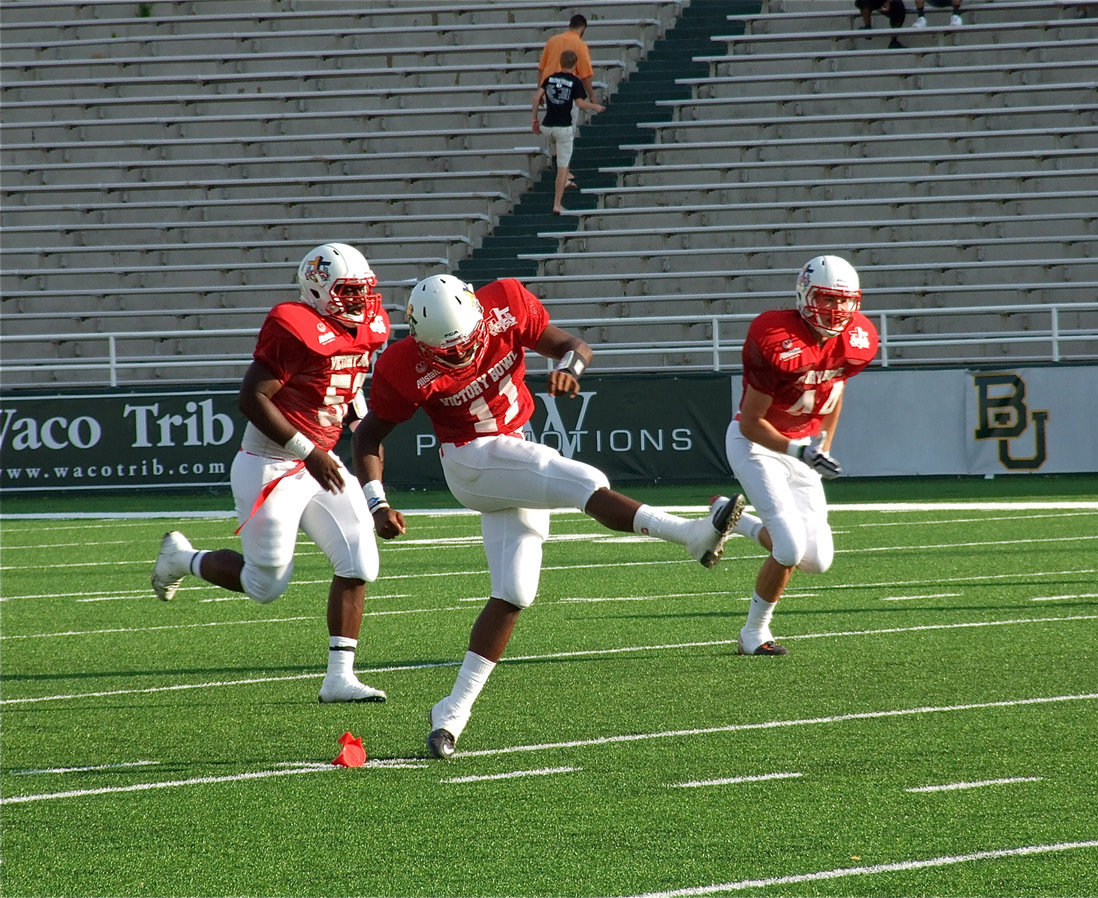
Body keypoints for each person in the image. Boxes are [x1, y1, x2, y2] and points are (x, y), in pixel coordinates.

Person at [352, 274, 746, 757]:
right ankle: (690, 535)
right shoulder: (401, 365)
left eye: (465, 344)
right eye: (445, 351)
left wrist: (570, 368)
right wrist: (377, 502)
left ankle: (452, 711)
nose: (459, 355)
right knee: (582, 479)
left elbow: (573, 346)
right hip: (469, 460)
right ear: (418, 338)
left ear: (478, 313)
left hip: (512, 447)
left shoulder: (505, 304)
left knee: (515, 592)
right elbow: (367, 437)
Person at [150, 242, 398, 703]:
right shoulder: (292, 325)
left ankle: (339, 677)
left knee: (360, 561)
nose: (361, 301)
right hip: (270, 462)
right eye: (348, 291)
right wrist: (307, 451)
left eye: (364, 290)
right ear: (318, 289)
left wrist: (359, 425)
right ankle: (180, 559)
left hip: (319, 460)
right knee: (266, 585)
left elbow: (349, 383)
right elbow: (252, 398)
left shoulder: (369, 327)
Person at [719, 255, 878, 656]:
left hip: (802, 449)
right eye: (826, 299)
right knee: (788, 548)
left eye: (844, 301)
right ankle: (753, 633)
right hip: (756, 444)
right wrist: (800, 450)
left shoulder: (856, 340)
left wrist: (823, 445)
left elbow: (834, 394)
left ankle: (739, 523)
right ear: (805, 295)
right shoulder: (776, 336)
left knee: (817, 560)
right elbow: (751, 422)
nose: (836, 309)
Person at [532, 49, 605, 215]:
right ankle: (557, 203)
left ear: (561, 62)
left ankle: (556, 154)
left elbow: (536, 98)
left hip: (547, 126)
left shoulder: (549, 78)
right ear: (575, 65)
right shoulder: (575, 81)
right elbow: (579, 104)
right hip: (563, 128)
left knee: (556, 144)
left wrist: (534, 119)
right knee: (563, 167)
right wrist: (594, 106)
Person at [537, 13, 595, 190]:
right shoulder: (579, 44)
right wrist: (592, 96)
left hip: (550, 90)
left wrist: (540, 91)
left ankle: (561, 164)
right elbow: (584, 75)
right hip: (567, 92)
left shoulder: (553, 40)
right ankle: (565, 173)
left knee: (558, 130)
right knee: (566, 133)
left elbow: (541, 68)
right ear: (582, 28)